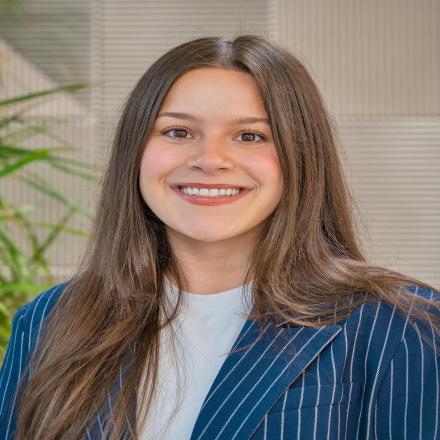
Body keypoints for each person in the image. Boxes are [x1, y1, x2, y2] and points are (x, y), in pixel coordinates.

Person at [0, 34, 439, 440]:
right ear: (135, 151)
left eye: (250, 136)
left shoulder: (402, 327)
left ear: (301, 155)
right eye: (178, 132)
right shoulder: (47, 322)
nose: (210, 160)